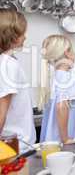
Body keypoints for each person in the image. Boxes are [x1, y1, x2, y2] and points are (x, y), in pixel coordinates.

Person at [39, 35, 75, 144]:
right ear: (67, 52)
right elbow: (61, 107)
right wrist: (65, 139)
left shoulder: (53, 77)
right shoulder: (68, 78)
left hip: (51, 142)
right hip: (66, 143)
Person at [0, 9, 36, 150]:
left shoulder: (6, 62)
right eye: (22, 34)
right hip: (17, 147)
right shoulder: (8, 65)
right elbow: (1, 110)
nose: (25, 37)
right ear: (12, 36)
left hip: (17, 145)